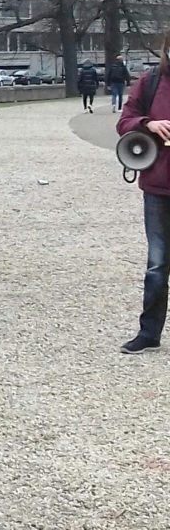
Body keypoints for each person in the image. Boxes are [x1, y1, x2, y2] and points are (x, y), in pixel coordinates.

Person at [116, 33, 170, 354]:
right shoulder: (150, 81)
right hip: (157, 186)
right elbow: (124, 122)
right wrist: (148, 124)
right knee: (157, 264)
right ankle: (149, 332)